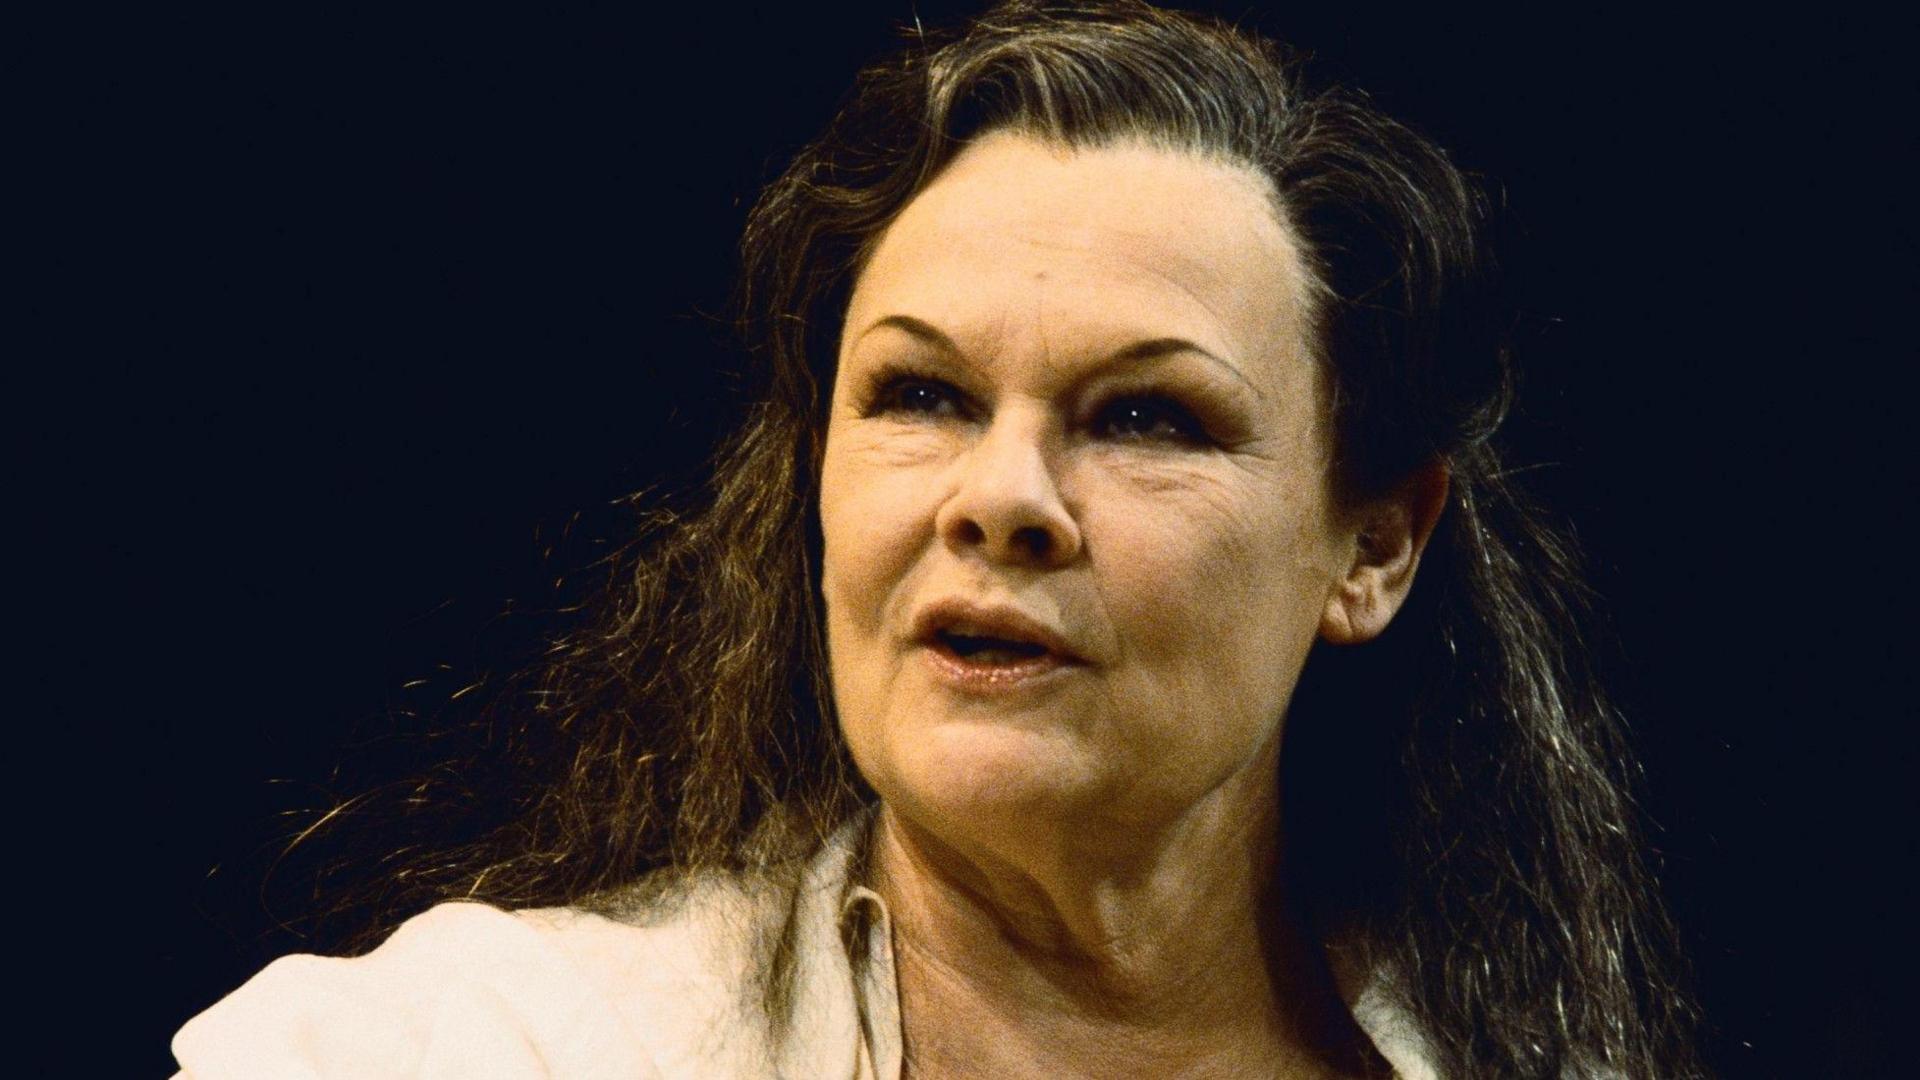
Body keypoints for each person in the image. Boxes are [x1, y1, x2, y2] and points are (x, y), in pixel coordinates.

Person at [173, 2, 1701, 1076]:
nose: (1001, 496)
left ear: (1373, 545)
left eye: (1146, 419)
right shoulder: (475, 1052)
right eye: (919, 394)